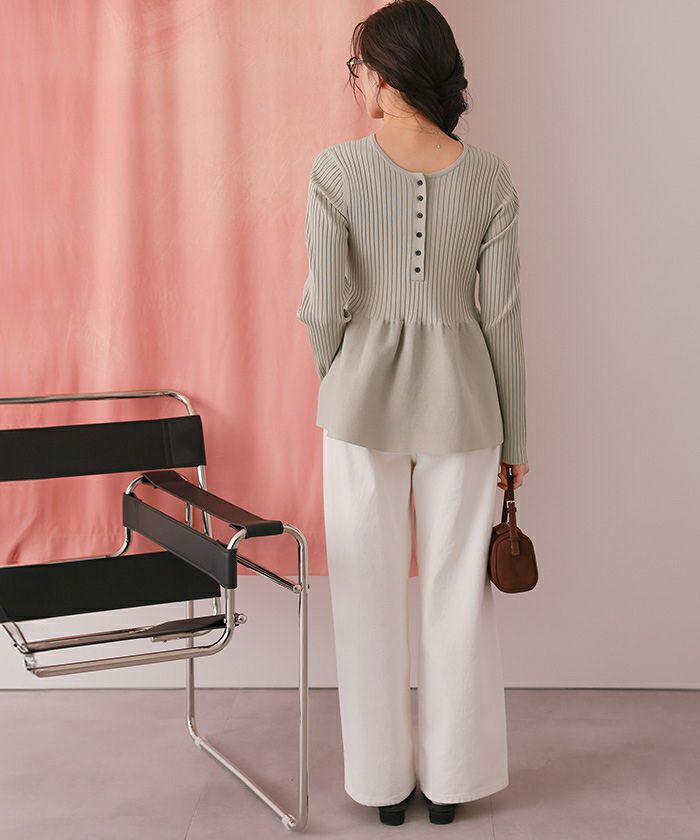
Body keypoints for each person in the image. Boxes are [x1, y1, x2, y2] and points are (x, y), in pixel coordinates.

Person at [297, 0, 530, 826]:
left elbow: (323, 306)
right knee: (456, 600)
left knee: (366, 595)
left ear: (387, 72)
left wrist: (343, 374)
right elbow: (503, 320)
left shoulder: (335, 171)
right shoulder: (490, 176)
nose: (356, 82)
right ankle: (452, 785)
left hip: (359, 408)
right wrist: (517, 435)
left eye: (358, 67)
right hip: (467, 408)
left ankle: (381, 787)